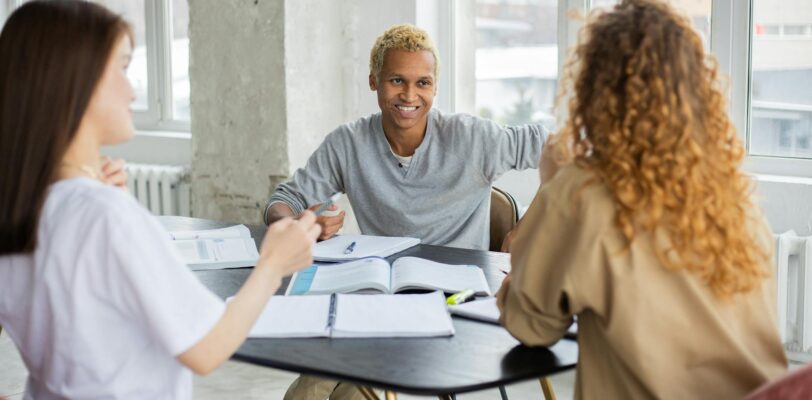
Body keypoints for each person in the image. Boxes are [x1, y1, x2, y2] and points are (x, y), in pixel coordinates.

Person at [0, 2, 320, 399]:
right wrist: (274, 263)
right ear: (74, 82)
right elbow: (206, 348)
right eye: (121, 67)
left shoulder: (20, 207)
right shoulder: (107, 218)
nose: (132, 89)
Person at [497, 1, 787, 399]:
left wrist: (551, 183)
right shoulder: (735, 194)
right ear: (695, 91)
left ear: (595, 92)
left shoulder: (582, 192)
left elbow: (528, 323)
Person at [264, 24, 549, 249]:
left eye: (422, 83)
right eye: (397, 80)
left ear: (435, 87)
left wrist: (527, 229)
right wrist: (293, 225)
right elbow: (283, 200)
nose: (410, 95)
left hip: (460, 292)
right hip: (384, 288)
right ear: (374, 81)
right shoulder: (348, 143)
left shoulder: (472, 138)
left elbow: (567, 152)